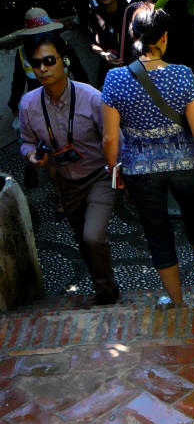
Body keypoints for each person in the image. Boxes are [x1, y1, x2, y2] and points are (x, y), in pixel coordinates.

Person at [101, 3, 194, 306]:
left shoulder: (115, 79)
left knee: (157, 234)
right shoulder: (183, 75)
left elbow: (110, 137)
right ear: (163, 39)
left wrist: (114, 172)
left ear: (134, 37)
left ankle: (177, 301)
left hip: (139, 170)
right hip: (185, 164)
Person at [18, 31, 120, 306]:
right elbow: (26, 142)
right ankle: (107, 287)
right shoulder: (28, 105)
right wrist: (31, 157)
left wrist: (119, 175)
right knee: (82, 240)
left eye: (49, 60)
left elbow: (114, 137)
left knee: (92, 235)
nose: (42, 68)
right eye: (36, 63)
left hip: (99, 175)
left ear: (63, 60)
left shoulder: (91, 98)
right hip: (65, 181)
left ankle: (107, 292)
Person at [7, 8, 88, 125]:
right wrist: (14, 105)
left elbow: (78, 71)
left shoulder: (64, 48)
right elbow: (18, 83)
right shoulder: (22, 55)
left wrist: (86, 98)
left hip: (66, 98)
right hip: (39, 104)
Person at [83, 0, 135, 84]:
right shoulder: (94, 15)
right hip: (109, 74)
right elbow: (92, 43)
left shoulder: (130, 12)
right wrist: (104, 54)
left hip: (133, 72)